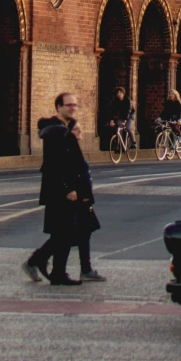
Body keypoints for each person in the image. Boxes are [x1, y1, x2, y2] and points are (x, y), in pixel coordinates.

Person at [22, 93, 84, 286]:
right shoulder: (57, 132)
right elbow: (55, 164)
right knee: (64, 233)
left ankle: (52, 269)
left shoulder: (65, 129)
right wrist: (68, 188)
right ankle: (43, 264)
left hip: (61, 189)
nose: (72, 108)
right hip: (59, 191)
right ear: (58, 107)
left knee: (63, 233)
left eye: (74, 105)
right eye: (68, 105)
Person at [69, 120, 105, 281]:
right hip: (77, 199)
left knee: (84, 231)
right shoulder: (68, 149)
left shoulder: (73, 148)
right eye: (77, 131)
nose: (80, 135)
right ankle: (36, 260)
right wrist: (70, 189)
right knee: (69, 235)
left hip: (84, 198)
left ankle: (86, 268)